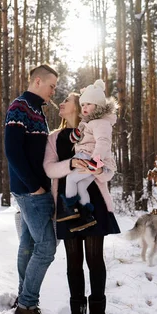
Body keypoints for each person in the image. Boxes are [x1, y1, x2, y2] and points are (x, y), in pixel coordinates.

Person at [43, 89, 121, 314]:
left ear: (80, 107)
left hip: (93, 202)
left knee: (94, 259)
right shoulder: (55, 137)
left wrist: (98, 170)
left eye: (67, 100)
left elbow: (109, 168)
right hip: (67, 204)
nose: (62, 103)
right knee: (74, 261)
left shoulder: (96, 128)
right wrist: (71, 164)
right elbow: (49, 169)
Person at [4, 63, 58, 314]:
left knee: (27, 244)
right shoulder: (20, 107)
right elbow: (12, 152)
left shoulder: (38, 111)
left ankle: (22, 299)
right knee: (46, 248)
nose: (53, 91)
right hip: (30, 192)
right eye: (51, 86)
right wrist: (35, 187)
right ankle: (27, 306)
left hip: (35, 189)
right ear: (37, 81)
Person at [61, 79, 117, 232]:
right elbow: (82, 138)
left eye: (89, 104)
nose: (84, 107)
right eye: (83, 104)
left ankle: (71, 209)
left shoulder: (101, 123)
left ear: (98, 106)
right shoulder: (89, 123)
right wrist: (76, 136)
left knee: (71, 179)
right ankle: (86, 215)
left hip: (90, 159)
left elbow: (103, 143)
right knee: (80, 185)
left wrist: (95, 162)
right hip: (87, 158)